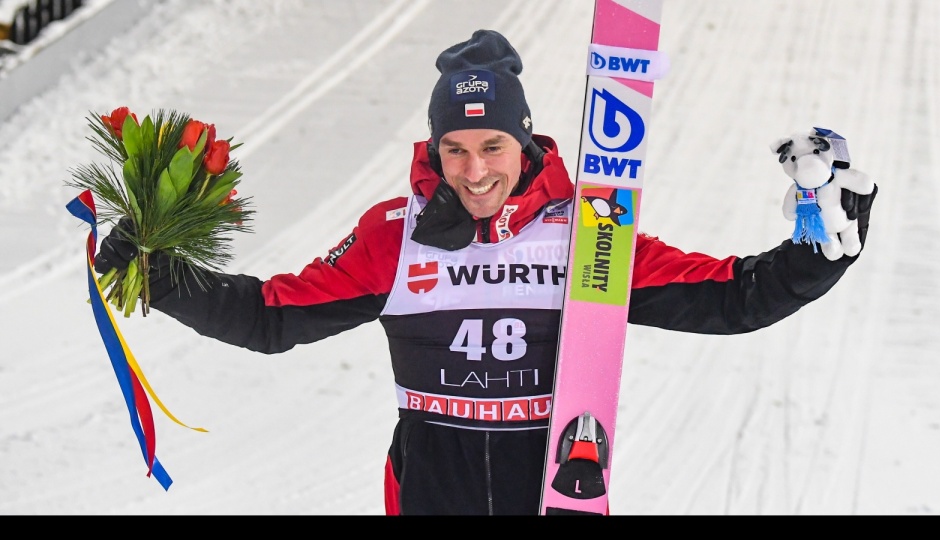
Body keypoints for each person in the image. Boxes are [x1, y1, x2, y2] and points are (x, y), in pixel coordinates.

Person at [93, 29, 877, 515]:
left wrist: (822, 248)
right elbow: (269, 315)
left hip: (559, 488)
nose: (473, 171)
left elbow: (731, 297)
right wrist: (157, 278)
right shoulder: (393, 237)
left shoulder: (589, 237)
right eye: (454, 150)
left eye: (492, 147)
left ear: (526, 141)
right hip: (430, 491)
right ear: (433, 149)